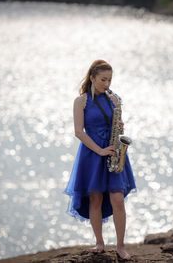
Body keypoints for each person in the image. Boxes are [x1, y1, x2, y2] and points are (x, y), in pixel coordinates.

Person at [63, 59, 137, 260]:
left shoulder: (113, 99)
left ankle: (121, 246)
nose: (107, 84)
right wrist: (100, 150)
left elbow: (117, 126)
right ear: (92, 78)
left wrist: (120, 126)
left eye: (110, 80)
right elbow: (79, 132)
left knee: (118, 200)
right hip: (93, 153)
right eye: (103, 79)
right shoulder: (81, 101)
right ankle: (99, 243)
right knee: (95, 199)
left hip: (113, 151)